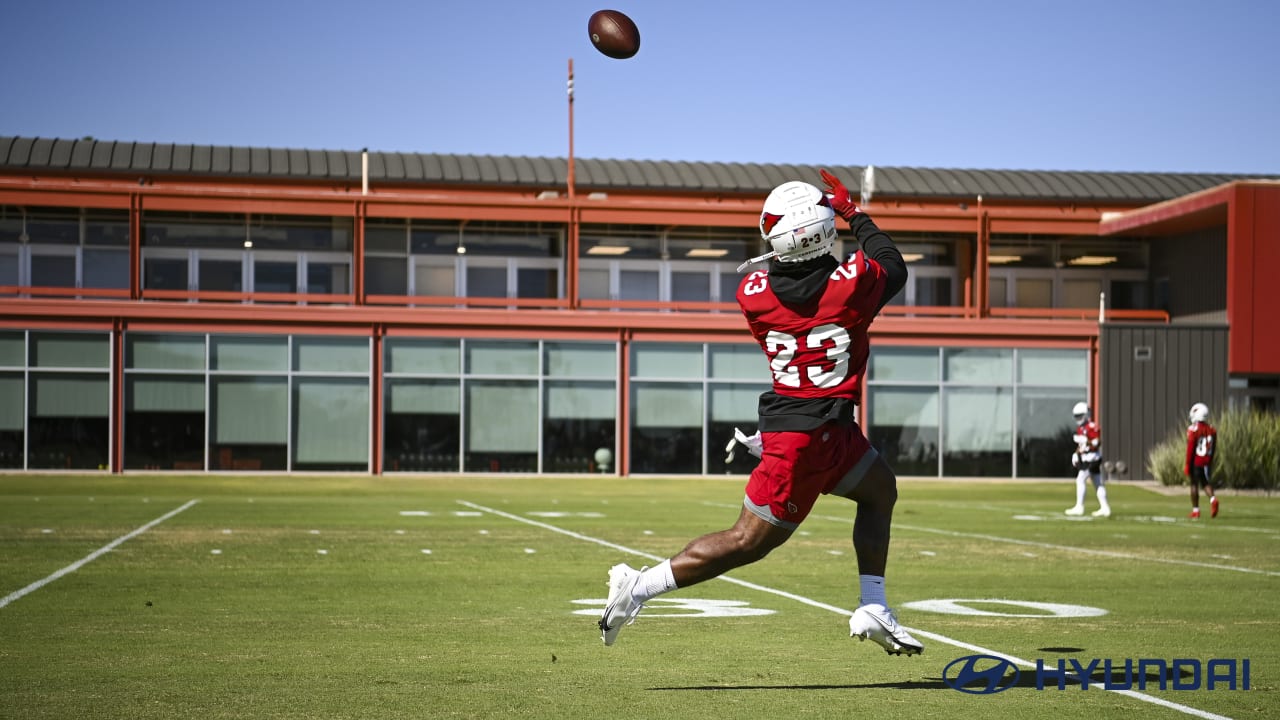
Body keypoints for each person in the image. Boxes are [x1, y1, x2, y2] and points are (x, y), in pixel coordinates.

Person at [598, 170, 923, 656]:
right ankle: (637, 587)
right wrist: (852, 212)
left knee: (880, 490)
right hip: (808, 434)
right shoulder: (852, 284)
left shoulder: (754, 293)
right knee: (748, 541)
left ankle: (874, 604)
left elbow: (792, 283)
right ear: (820, 233)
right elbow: (891, 262)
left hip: (820, 426)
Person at [1065, 401, 1110, 517]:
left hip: (1092, 458)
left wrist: (1087, 441)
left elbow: (1097, 442)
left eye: (1080, 416)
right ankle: (1105, 507)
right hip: (1086, 457)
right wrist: (1076, 453)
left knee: (1080, 479)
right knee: (1097, 482)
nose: (1078, 418)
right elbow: (1081, 446)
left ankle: (1079, 506)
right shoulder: (1081, 428)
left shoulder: (1092, 427)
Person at [1184, 402, 1219, 519]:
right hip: (1206, 461)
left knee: (1194, 484)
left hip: (1196, 461)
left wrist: (1188, 464)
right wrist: (1210, 461)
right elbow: (1213, 448)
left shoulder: (1193, 429)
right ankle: (1213, 499)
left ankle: (1196, 510)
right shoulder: (1212, 430)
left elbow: (1190, 448)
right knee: (1205, 483)